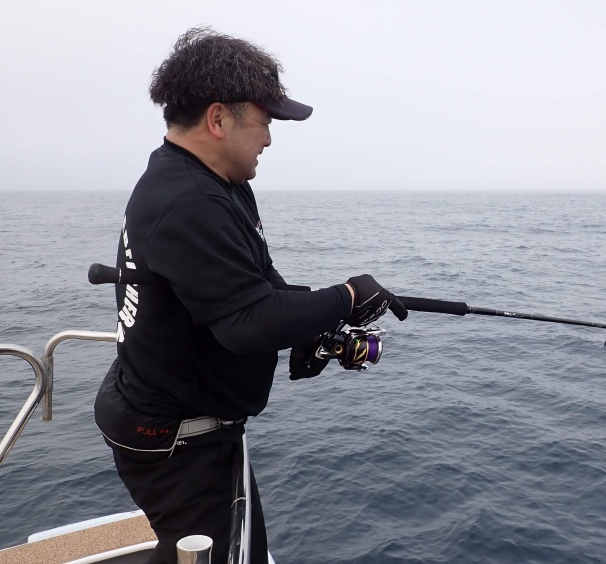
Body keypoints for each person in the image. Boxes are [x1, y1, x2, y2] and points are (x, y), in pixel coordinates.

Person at [93, 27, 407, 564]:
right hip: (176, 440)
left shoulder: (222, 183)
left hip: (194, 423)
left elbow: (258, 283)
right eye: (265, 122)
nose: (269, 139)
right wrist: (348, 296)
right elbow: (247, 322)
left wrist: (311, 325)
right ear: (219, 119)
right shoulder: (188, 201)